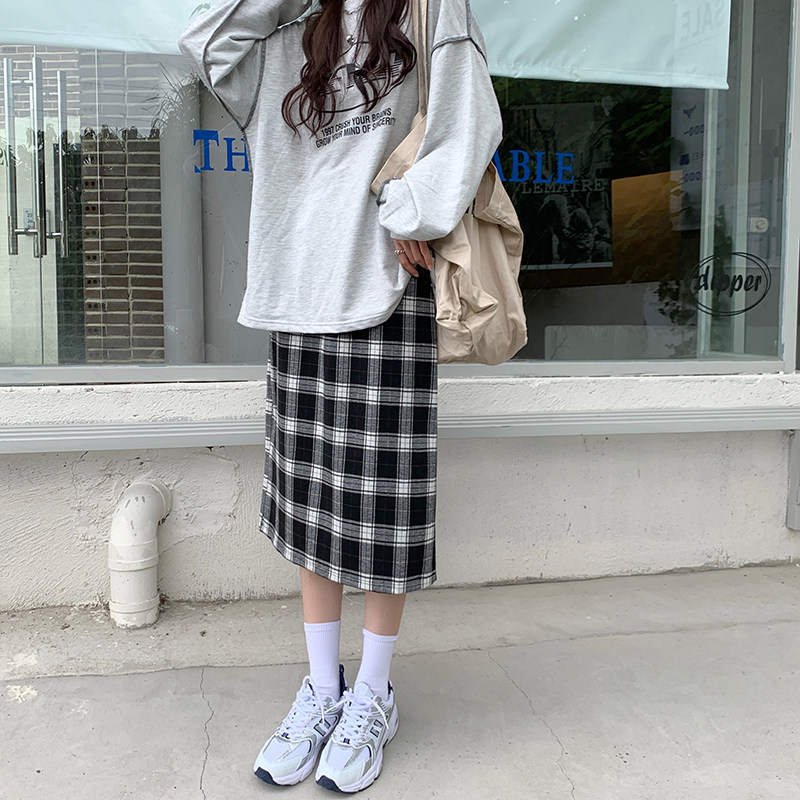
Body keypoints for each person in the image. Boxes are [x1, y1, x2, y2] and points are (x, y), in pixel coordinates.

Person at [179, 0, 501, 792]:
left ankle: (372, 694)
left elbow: (469, 118)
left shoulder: (429, 8)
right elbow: (204, 40)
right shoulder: (289, 26)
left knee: (383, 516)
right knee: (311, 512)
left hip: (385, 293)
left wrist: (414, 208)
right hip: (298, 293)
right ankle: (323, 688)